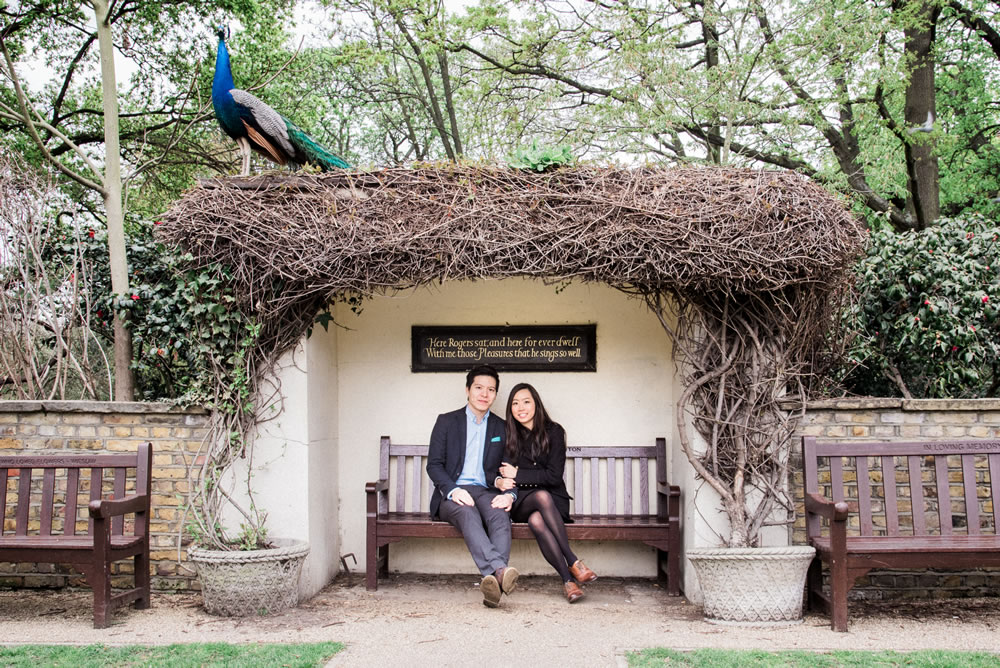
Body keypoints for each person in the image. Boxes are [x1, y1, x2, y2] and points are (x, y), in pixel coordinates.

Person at [426, 364, 519, 608]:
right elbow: (434, 465)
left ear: (495, 394)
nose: (484, 394)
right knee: (468, 513)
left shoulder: (501, 427)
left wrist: (509, 495)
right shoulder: (446, 422)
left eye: (490, 389)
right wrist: (454, 491)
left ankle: (493, 588)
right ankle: (500, 571)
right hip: (452, 494)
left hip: (486, 491)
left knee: (500, 515)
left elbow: (510, 466)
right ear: (468, 390)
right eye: (478, 387)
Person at [497, 382, 597, 603]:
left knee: (537, 519)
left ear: (536, 404)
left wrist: (519, 473)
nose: (520, 407)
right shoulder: (509, 434)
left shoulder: (554, 432)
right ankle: (573, 561)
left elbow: (553, 476)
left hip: (554, 502)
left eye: (526, 402)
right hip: (521, 501)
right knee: (539, 498)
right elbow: (506, 474)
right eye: (515, 403)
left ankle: (567, 581)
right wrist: (523, 475)